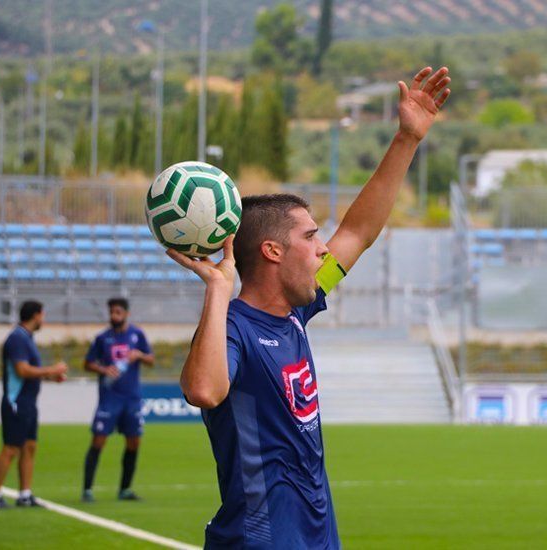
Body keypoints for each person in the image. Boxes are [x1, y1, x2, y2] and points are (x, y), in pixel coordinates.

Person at [168, 66, 450, 548]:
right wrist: (217, 288)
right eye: (310, 235)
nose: (323, 248)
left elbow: (358, 234)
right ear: (273, 252)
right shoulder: (234, 327)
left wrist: (407, 139)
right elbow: (204, 391)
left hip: (316, 537)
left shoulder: (295, 312)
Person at [0, 300, 68, 509]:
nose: (44, 320)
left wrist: (50, 378)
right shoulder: (18, 339)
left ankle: (24, 494)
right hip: (16, 402)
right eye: (43, 315)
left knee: (29, 447)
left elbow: (29, 373)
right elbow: (22, 370)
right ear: (36, 315)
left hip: (29, 402)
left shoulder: (27, 339)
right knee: (11, 448)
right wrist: (51, 370)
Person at [81, 297, 154, 502]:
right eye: (112, 312)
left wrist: (139, 355)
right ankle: (87, 489)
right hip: (109, 398)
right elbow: (87, 363)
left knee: (133, 442)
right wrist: (104, 368)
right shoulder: (102, 338)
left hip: (131, 398)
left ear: (126, 314)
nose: (114, 316)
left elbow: (151, 360)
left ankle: (125, 489)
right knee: (98, 440)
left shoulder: (137, 335)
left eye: (118, 313)